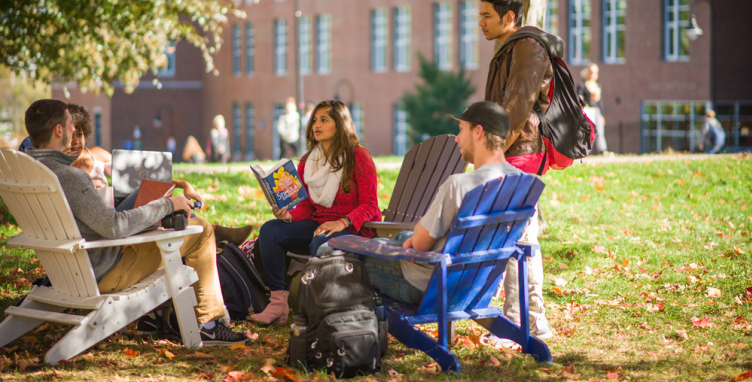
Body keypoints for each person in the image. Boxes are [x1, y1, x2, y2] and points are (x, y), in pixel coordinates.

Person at [24, 99, 247, 345]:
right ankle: (208, 324)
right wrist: (168, 204)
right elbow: (114, 226)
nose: (73, 131)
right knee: (201, 231)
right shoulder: (70, 177)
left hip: (66, 270)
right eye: (69, 125)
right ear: (59, 130)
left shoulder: (31, 171)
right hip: (103, 271)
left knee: (165, 221)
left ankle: (155, 317)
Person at [361, 101, 521, 306]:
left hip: (429, 284)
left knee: (351, 256)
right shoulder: (521, 183)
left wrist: (418, 234)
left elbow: (420, 244)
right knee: (401, 238)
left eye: (462, 130)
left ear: (478, 132)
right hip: (480, 285)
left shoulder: (459, 185)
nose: (457, 138)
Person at [250, 100, 381, 325]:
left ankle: (319, 308)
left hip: (354, 230)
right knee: (270, 230)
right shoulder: (308, 162)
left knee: (321, 242)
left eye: (324, 120)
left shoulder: (358, 156)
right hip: (318, 225)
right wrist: (289, 216)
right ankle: (278, 305)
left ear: (339, 124)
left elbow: (370, 205)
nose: (316, 126)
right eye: (314, 121)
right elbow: (309, 206)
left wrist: (342, 222)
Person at [479, 0, 554, 340]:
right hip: (511, 150)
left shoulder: (527, 47)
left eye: (486, 15)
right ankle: (529, 316)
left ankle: (525, 319)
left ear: (509, 17)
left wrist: (492, 154)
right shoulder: (512, 47)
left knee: (518, 235)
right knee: (517, 233)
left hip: (519, 151)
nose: (479, 22)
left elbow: (518, 106)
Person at [65, 103, 203, 211]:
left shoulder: (95, 155)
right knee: (161, 202)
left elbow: (139, 176)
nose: (76, 141)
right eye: (70, 136)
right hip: (106, 226)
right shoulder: (58, 167)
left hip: (118, 215)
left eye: (79, 135)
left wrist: (184, 184)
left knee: (147, 190)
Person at [577, 63, 608, 155]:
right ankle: (583, 151)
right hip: (587, 110)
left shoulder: (598, 85)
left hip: (596, 110)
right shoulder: (582, 85)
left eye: (595, 73)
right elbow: (579, 99)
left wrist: (602, 115)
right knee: (586, 132)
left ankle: (602, 150)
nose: (593, 75)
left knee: (600, 130)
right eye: (591, 72)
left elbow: (599, 102)